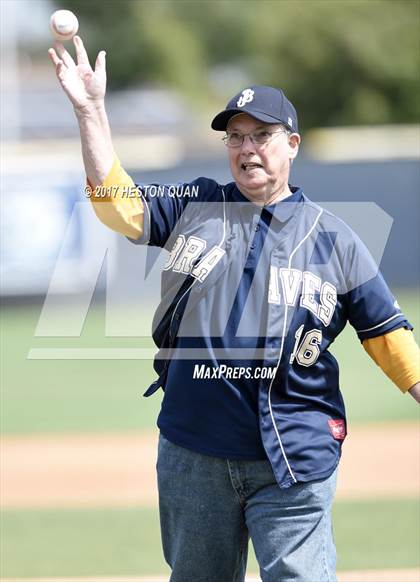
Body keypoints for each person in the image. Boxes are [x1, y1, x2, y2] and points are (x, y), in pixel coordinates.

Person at [49, 36, 420, 582]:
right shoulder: (195, 206)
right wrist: (91, 111)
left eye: (262, 136)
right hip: (194, 449)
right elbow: (116, 206)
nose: (247, 149)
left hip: (293, 456)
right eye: (236, 137)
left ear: (291, 144)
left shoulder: (335, 240)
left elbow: (386, 334)